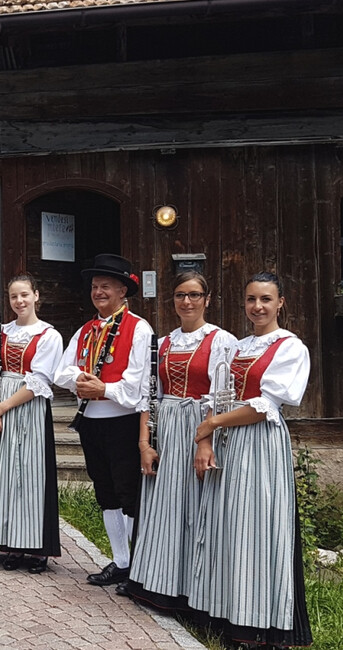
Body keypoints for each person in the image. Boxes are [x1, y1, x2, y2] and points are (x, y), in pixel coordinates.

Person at [187, 272, 312, 647]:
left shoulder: (290, 347)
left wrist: (212, 423)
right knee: (227, 526)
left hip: (259, 444)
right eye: (251, 300)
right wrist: (205, 441)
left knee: (255, 528)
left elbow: (266, 405)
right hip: (227, 442)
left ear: (280, 303)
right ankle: (230, 615)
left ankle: (259, 624)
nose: (258, 307)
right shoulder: (237, 347)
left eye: (266, 300)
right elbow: (217, 394)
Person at [125, 271, 238, 603]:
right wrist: (145, 444)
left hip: (200, 427)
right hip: (168, 427)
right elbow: (149, 395)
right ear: (172, 300)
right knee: (165, 506)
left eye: (194, 295)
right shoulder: (163, 342)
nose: (186, 302)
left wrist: (204, 440)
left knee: (196, 507)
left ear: (207, 299)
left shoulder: (221, 340)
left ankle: (195, 590)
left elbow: (221, 397)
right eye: (179, 295)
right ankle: (160, 582)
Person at [53, 254, 154, 586]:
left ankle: (138, 566)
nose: (98, 292)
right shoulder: (86, 330)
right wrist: (82, 380)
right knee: (105, 492)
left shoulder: (138, 329)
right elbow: (62, 371)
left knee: (129, 494)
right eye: (95, 287)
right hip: (92, 422)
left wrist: (104, 388)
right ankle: (120, 560)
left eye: (106, 287)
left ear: (123, 290)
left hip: (123, 420)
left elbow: (138, 384)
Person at [0, 274, 65, 574]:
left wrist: (3, 406)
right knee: (4, 476)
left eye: (25, 295)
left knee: (29, 477)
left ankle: (35, 547)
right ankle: (11, 542)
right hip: (0, 408)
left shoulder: (49, 336)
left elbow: (40, 381)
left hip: (27, 409)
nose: (19, 301)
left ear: (36, 295)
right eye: (14, 296)